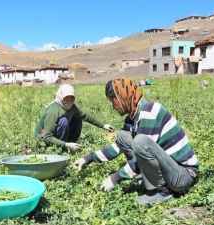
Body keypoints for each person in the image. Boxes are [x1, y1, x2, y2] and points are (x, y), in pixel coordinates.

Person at [74, 76, 199, 206]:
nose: (114, 107)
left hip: (182, 175)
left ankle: (162, 191)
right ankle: (148, 180)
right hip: (170, 169)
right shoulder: (133, 116)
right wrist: (89, 158)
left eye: (114, 101)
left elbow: (142, 150)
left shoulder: (149, 112)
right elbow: (118, 146)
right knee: (122, 136)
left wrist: (115, 178)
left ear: (122, 96)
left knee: (140, 141)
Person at [35, 84, 114, 152]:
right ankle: (61, 147)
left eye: (72, 97)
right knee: (63, 121)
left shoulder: (72, 107)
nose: (69, 100)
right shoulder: (53, 112)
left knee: (78, 117)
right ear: (60, 96)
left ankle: (72, 143)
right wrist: (65, 145)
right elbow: (47, 137)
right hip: (44, 140)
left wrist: (103, 125)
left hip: (57, 135)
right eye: (66, 97)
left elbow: (86, 116)